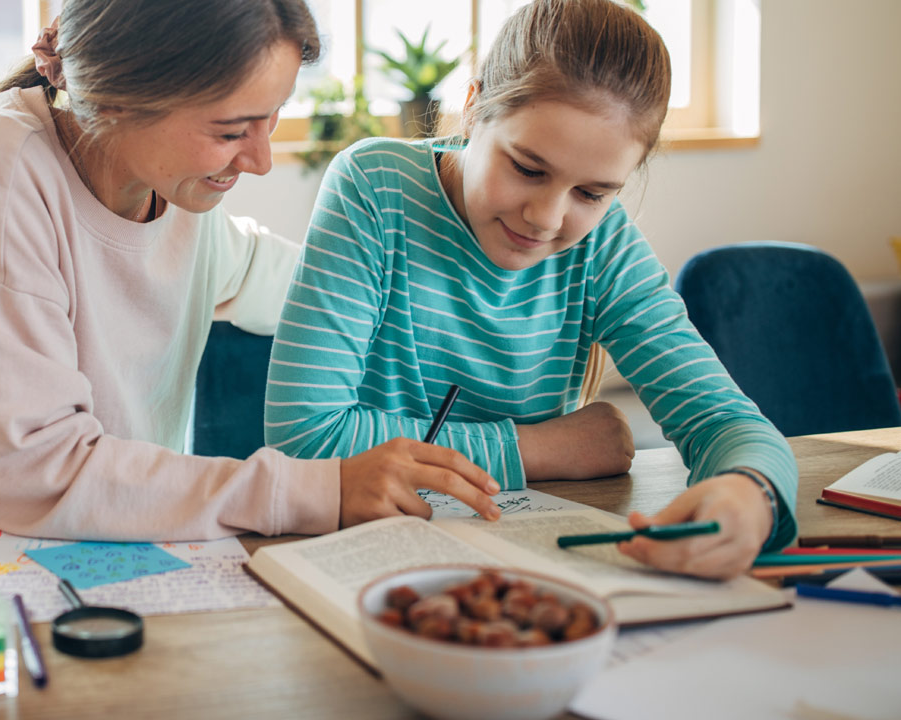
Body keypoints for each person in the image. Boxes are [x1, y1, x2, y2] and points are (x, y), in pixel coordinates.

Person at [0, 0, 502, 540]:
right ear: (119, 99)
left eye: (271, 118)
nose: (260, 159)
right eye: (230, 130)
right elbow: (38, 476)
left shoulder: (179, 200)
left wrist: (455, 294)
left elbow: (307, 289)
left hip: (73, 552)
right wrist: (319, 491)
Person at [265, 0, 795, 579]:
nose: (545, 218)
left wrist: (752, 495)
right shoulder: (374, 187)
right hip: (359, 563)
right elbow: (305, 438)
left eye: (591, 194)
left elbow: (725, 421)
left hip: (528, 568)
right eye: (527, 168)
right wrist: (541, 449)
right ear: (472, 109)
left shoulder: (605, 247)